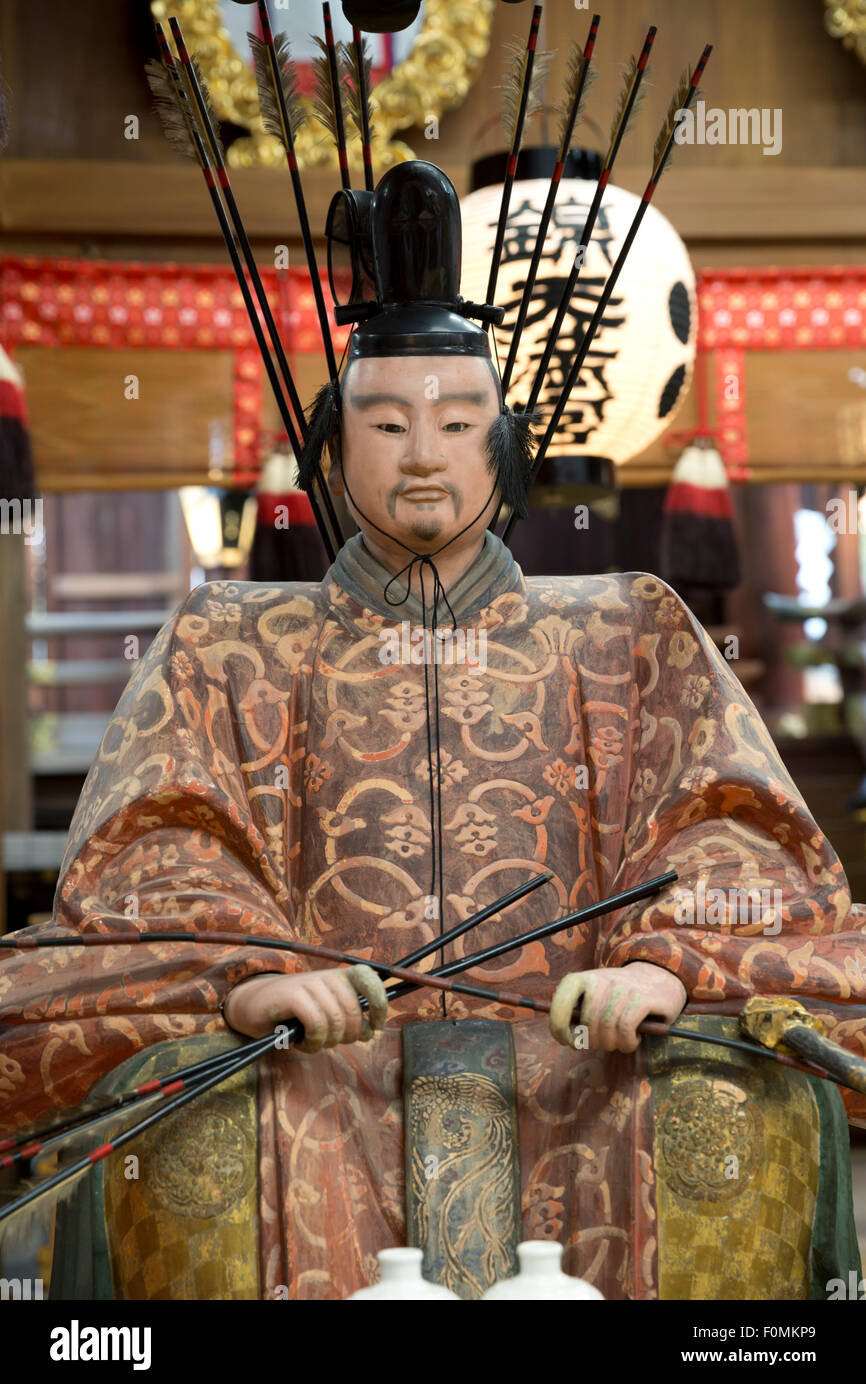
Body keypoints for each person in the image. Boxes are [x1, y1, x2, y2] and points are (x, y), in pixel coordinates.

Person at [2, 162, 866, 1302]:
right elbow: (164, 852)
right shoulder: (229, 639)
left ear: (500, 446)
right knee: (206, 1113)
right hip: (320, 1070)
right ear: (331, 443)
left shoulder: (625, 626)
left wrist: (664, 961)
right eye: (387, 421)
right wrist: (251, 977)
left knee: (722, 1096)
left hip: (584, 1062)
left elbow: (727, 836)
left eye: (458, 422)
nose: (422, 454)